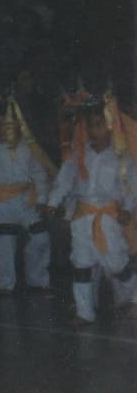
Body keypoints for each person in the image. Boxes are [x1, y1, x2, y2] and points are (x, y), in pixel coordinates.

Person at [46, 97, 137, 324]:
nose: (95, 131)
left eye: (99, 125)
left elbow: (131, 188)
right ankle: (84, 311)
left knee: (117, 264)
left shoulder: (121, 158)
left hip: (108, 218)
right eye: (91, 126)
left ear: (109, 126)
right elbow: (64, 182)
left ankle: (132, 297)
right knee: (81, 263)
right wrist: (52, 203)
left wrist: (127, 209)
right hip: (83, 218)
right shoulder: (78, 156)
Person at [0, 97, 53, 295]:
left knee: (40, 238)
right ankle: (6, 284)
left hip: (28, 200)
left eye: (3, 124)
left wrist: (42, 199)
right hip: (4, 201)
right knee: (5, 242)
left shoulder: (29, 148)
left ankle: (37, 279)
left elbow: (39, 174)